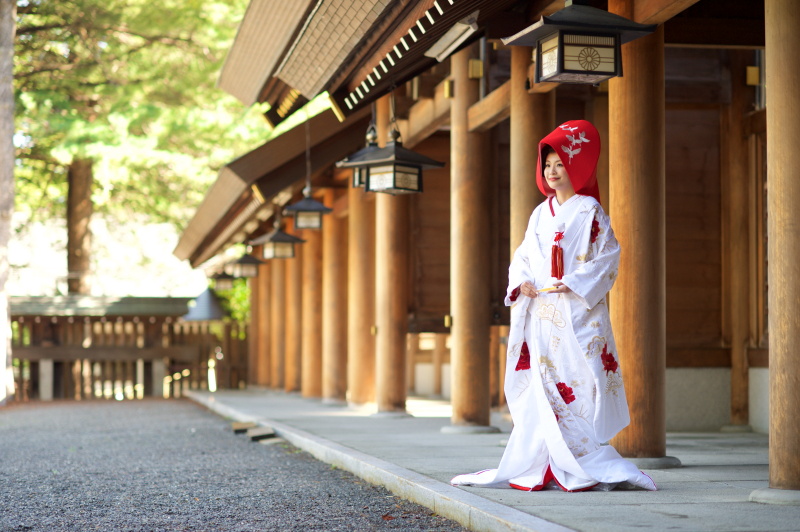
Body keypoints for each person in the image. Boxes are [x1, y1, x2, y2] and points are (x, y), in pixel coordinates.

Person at [450, 120, 656, 492]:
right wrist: (521, 282)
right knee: (542, 385)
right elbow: (523, 256)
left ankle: (582, 462)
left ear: (576, 167)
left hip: (576, 312)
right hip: (542, 312)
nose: (552, 170)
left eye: (560, 163)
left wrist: (575, 283)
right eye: (548, 164)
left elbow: (608, 255)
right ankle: (543, 462)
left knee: (577, 383)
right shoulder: (538, 214)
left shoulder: (589, 210)